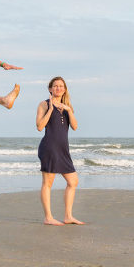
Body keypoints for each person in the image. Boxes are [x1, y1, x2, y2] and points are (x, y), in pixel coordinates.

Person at [35, 76, 84, 226]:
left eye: (61, 86)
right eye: (55, 86)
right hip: (49, 148)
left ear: (65, 89)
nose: (58, 88)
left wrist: (69, 110)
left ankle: (68, 216)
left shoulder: (67, 106)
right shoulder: (44, 104)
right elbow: (39, 126)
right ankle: (48, 217)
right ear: (50, 89)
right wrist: (50, 109)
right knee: (47, 183)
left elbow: (75, 126)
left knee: (73, 181)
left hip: (63, 150)